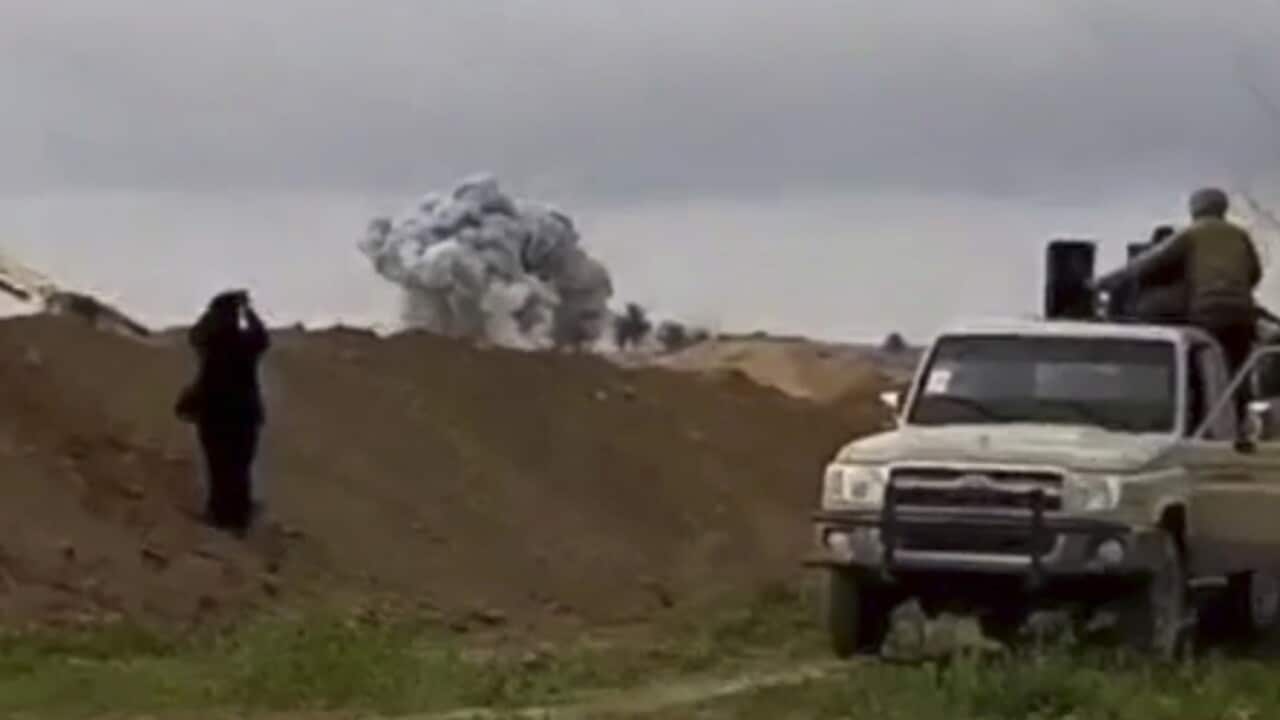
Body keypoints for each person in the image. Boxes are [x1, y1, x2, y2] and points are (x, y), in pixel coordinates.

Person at [1094, 187, 1262, 428]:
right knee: (1236, 375)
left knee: (1199, 371)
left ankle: (1198, 425)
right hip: (1242, 316)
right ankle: (1240, 428)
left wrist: (1104, 282)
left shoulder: (1192, 234)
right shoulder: (1240, 235)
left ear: (1195, 208)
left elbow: (1147, 262)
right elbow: (1255, 273)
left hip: (1208, 314)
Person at [176, 289, 270, 535]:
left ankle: (221, 514)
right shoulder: (243, 343)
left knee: (219, 465)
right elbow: (262, 338)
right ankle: (237, 517)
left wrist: (214, 311)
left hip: (214, 413)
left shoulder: (211, 341)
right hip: (243, 415)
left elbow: (194, 335)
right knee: (239, 465)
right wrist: (248, 311)